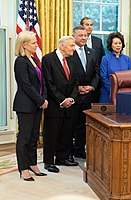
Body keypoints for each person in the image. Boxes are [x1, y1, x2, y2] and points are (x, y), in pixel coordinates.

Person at [13, 31, 48, 181]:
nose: (36, 45)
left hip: (37, 105)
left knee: (34, 136)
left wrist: (44, 98)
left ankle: (32, 163)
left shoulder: (34, 59)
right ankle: (23, 168)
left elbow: (42, 82)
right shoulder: (20, 61)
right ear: (24, 45)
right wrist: (40, 100)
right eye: (33, 43)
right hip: (26, 105)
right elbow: (26, 85)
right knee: (24, 138)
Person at [42, 36, 79, 173]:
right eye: (71, 46)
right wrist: (61, 100)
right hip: (54, 104)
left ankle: (62, 158)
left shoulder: (72, 60)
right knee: (51, 133)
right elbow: (48, 83)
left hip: (69, 104)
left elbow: (76, 82)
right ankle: (49, 161)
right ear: (62, 46)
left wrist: (71, 99)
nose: (74, 49)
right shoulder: (48, 59)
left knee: (66, 132)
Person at [69, 26, 100, 160]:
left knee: (83, 126)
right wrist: (78, 88)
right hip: (74, 95)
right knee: (71, 126)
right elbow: (67, 73)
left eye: (85, 35)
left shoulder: (92, 52)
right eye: (80, 35)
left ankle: (80, 150)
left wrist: (91, 87)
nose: (84, 38)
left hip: (88, 95)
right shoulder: (69, 52)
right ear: (74, 36)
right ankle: (68, 153)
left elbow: (97, 73)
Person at [99, 32, 131, 103]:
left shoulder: (127, 59)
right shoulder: (105, 59)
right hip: (108, 94)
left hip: (124, 95)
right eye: (115, 43)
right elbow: (103, 77)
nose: (118, 46)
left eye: (120, 43)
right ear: (111, 45)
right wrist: (114, 91)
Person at [80, 17, 105, 102]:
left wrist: (94, 85)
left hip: (95, 82)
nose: (90, 27)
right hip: (80, 85)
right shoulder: (75, 42)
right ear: (81, 26)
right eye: (87, 25)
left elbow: (101, 61)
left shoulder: (98, 41)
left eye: (91, 25)